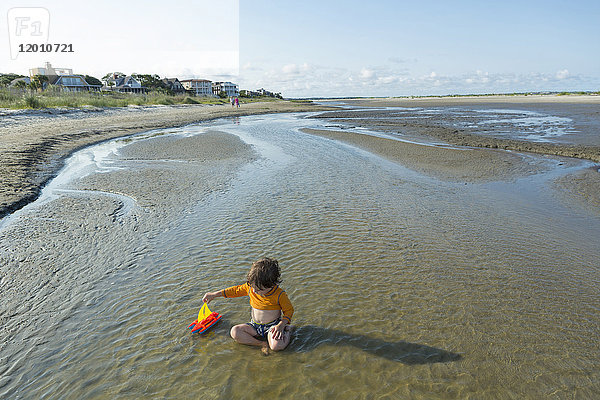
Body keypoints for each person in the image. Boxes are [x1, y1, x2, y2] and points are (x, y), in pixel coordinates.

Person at [202, 257, 294, 353]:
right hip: (254, 326)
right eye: (253, 287)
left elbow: (289, 311)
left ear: (271, 284)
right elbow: (234, 291)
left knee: (276, 346)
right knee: (235, 332)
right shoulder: (250, 288)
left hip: (272, 326)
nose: (254, 291)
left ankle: (288, 330)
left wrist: (281, 325)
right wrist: (214, 294)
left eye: (259, 289)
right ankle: (261, 343)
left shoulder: (279, 295)